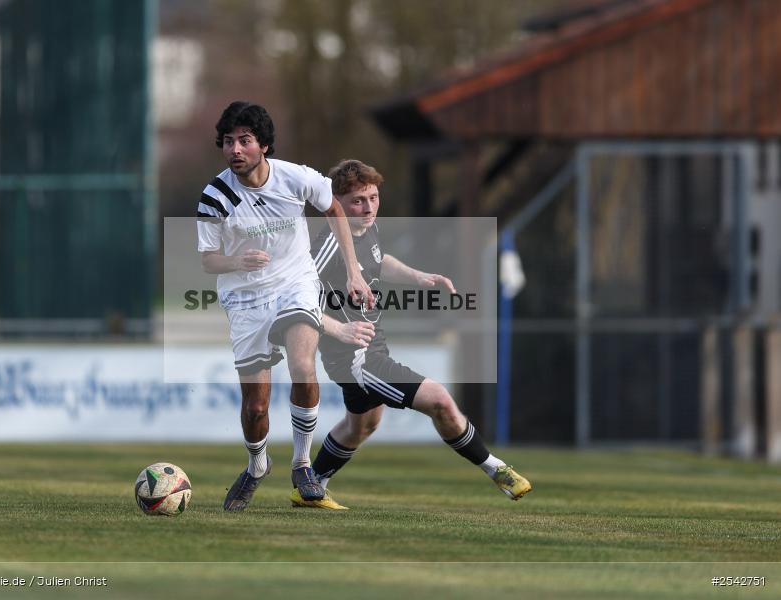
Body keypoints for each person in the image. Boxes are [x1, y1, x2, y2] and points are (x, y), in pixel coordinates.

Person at [300, 159, 531, 510]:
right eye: (358, 201)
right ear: (336, 203)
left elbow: (379, 260)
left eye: (374, 198)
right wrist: (339, 329)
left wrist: (419, 277)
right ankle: (496, 469)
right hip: (356, 359)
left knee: (362, 424)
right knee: (439, 400)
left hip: (372, 348)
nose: (368, 207)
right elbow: (297, 302)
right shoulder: (327, 246)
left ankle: (312, 486)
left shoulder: (366, 230)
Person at [197, 102, 373, 512]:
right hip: (244, 298)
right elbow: (208, 260)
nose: (235, 149)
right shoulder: (215, 195)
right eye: (228, 142)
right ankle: (258, 464)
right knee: (256, 406)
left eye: (244, 141)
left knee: (302, 365)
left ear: (264, 146)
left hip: (296, 282)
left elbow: (333, 209)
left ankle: (302, 465)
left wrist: (354, 273)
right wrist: (237, 262)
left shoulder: (297, 178)